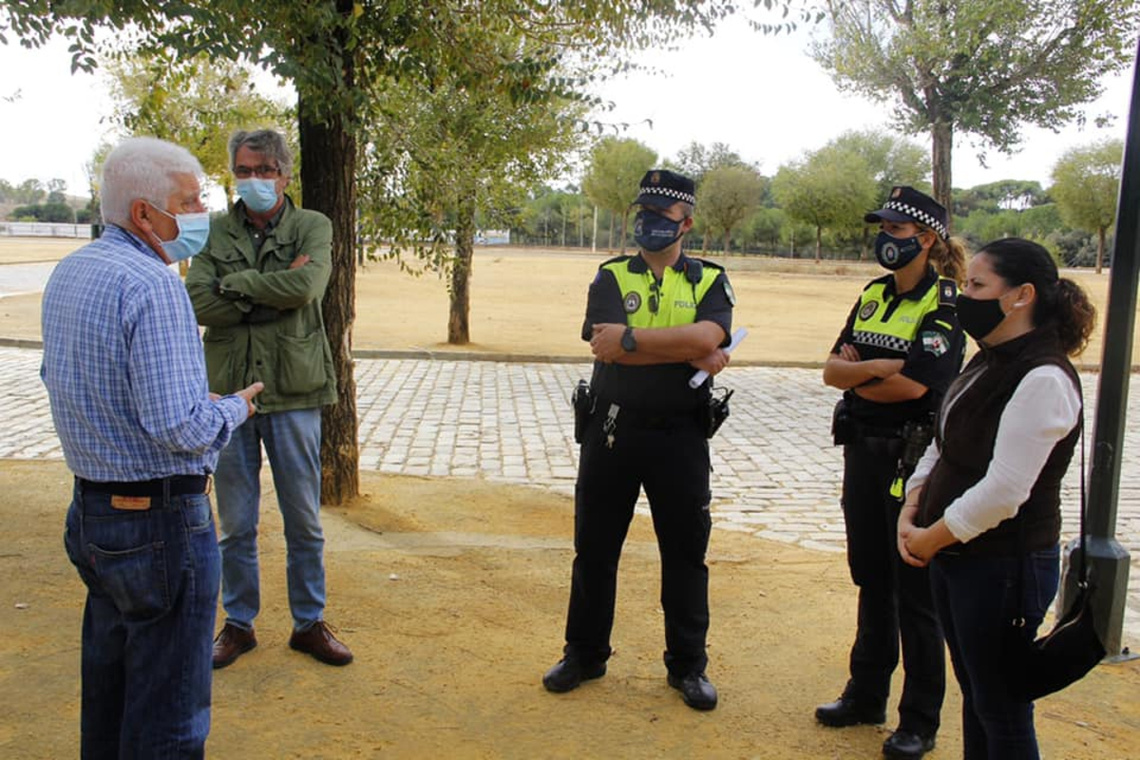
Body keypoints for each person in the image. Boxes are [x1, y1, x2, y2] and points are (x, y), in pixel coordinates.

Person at [41, 136, 262, 758]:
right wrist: (233, 406)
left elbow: (57, 380)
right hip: (158, 521)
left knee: (109, 697)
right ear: (145, 213)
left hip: (93, 514)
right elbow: (180, 426)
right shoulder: (154, 282)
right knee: (168, 716)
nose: (200, 215)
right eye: (189, 202)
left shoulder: (73, 270)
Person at [542, 169, 733, 711]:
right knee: (596, 549)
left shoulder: (710, 280)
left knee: (686, 554)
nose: (648, 224)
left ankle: (687, 666)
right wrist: (682, 348)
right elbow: (604, 347)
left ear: (686, 223)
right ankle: (584, 653)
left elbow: (708, 336)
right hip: (612, 429)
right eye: (642, 214)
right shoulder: (610, 277)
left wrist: (634, 340)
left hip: (681, 434)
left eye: (661, 216)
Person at [898, 238, 1096, 759]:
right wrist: (912, 502)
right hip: (959, 557)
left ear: (1021, 296)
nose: (966, 296)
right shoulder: (991, 359)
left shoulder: (1043, 377)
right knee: (981, 698)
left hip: (1002, 565)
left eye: (978, 286)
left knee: (1003, 707)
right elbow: (945, 443)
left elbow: (1005, 490)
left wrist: (930, 538)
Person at [185, 129, 353, 668]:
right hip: (229, 394)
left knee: (303, 518)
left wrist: (236, 285)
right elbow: (197, 301)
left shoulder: (312, 226)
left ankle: (309, 623)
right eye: (242, 171)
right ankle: (238, 623)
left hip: (294, 389)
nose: (252, 181)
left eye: (262, 171)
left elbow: (307, 290)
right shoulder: (213, 231)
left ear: (284, 174)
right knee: (235, 523)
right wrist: (269, 285)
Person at [818, 186, 969, 759]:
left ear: (926, 239)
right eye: (882, 227)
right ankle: (865, 694)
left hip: (912, 457)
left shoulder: (946, 304)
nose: (885, 238)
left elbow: (919, 384)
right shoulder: (874, 295)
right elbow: (832, 370)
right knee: (870, 577)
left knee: (914, 591)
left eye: (897, 230)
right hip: (862, 450)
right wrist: (880, 367)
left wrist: (865, 371)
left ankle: (919, 720)